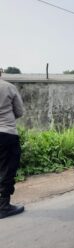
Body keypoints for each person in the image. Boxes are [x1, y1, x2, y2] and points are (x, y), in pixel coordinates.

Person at [0, 73, 25, 219]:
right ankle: (4, 206)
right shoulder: (9, 87)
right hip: (7, 133)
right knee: (7, 169)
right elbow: (19, 111)